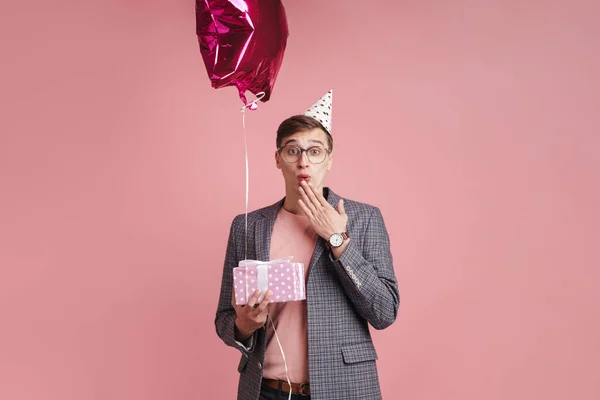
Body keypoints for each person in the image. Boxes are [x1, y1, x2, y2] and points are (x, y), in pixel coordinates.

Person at [215, 90, 400, 400]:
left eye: (315, 151)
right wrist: (244, 326)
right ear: (277, 158)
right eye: (292, 151)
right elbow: (224, 318)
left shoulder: (364, 218)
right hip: (265, 390)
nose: (303, 161)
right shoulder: (247, 226)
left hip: (344, 389)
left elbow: (384, 312)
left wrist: (337, 240)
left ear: (329, 159)